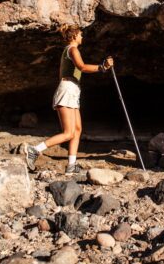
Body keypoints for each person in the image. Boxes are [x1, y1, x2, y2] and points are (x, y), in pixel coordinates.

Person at [25, 25, 113, 175]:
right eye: (80, 34)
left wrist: (102, 67)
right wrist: (102, 67)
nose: (82, 37)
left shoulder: (71, 50)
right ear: (73, 37)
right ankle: (34, 150)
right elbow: (82, 67)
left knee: (77, 130)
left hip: (72, 90)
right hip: (67, 89)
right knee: (68, 133)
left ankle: (71, 165)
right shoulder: (72, 49)